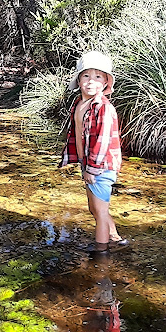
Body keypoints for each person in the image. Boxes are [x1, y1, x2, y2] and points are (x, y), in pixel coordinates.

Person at [58, 50, 125, 253]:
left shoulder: (103, 108)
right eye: (86, 76)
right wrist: (80, 162)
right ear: (78, 80)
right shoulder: (80, 104)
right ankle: (115, 238)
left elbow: (102, 143)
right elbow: (78, 134)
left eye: (98, 77)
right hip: (87, 163)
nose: (91, 81)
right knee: (94, 208)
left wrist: (92, 170)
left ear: (105, 82)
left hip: (101, 165)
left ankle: (102, 254)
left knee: (100, 210)